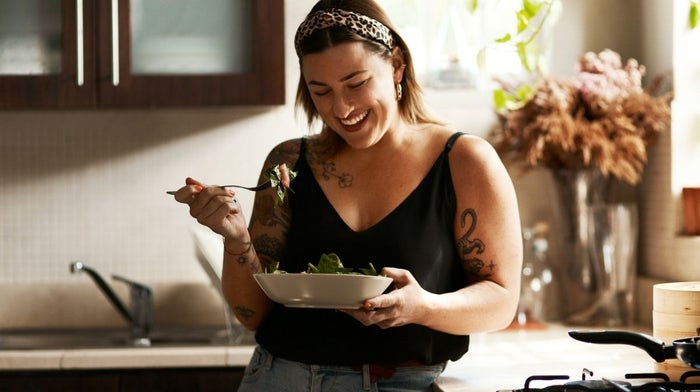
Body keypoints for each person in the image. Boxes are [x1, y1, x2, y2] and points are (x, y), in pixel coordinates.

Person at [173, 1, 523, 390]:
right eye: (320, 91)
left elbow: (502, 302)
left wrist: (423, 307)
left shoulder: (464, 162)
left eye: (356, 84)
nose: (341, 109)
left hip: (403, 384)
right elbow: (253, 315)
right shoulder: (290, 163)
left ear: (396, 65)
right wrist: (236, 239)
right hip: (279, 378)